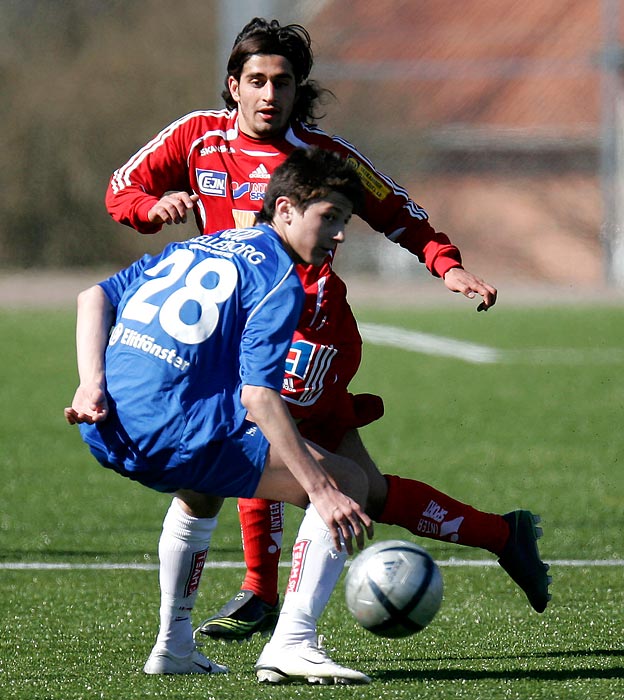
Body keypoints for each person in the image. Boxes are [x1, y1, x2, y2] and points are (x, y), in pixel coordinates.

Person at [105, 17, 550, 643]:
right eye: (256, 81)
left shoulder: (324, 159)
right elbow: (123, 189)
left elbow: (398, 210)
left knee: (261, 429)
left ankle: (263, 597)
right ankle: (502, 535)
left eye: (281, 82)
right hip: (232, 325)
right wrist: (151, 210)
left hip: (311, 328)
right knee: (359, 487)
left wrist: (446, 267)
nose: (268, 94)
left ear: (297, 89)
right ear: (233, 86)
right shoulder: (196, 139)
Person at [66, 148, 376, 684]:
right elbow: (260, 396)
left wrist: (91, 382)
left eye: (345, 221)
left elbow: (93, 296)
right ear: (284, 210)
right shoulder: (281, 279)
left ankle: (174, 644)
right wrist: (321, 489)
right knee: (348, 479)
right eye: (329, 217)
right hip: (169, 431)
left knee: (203, 482)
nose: (340, 234)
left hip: (104, 422)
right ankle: (294, 644)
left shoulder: (196, 244)